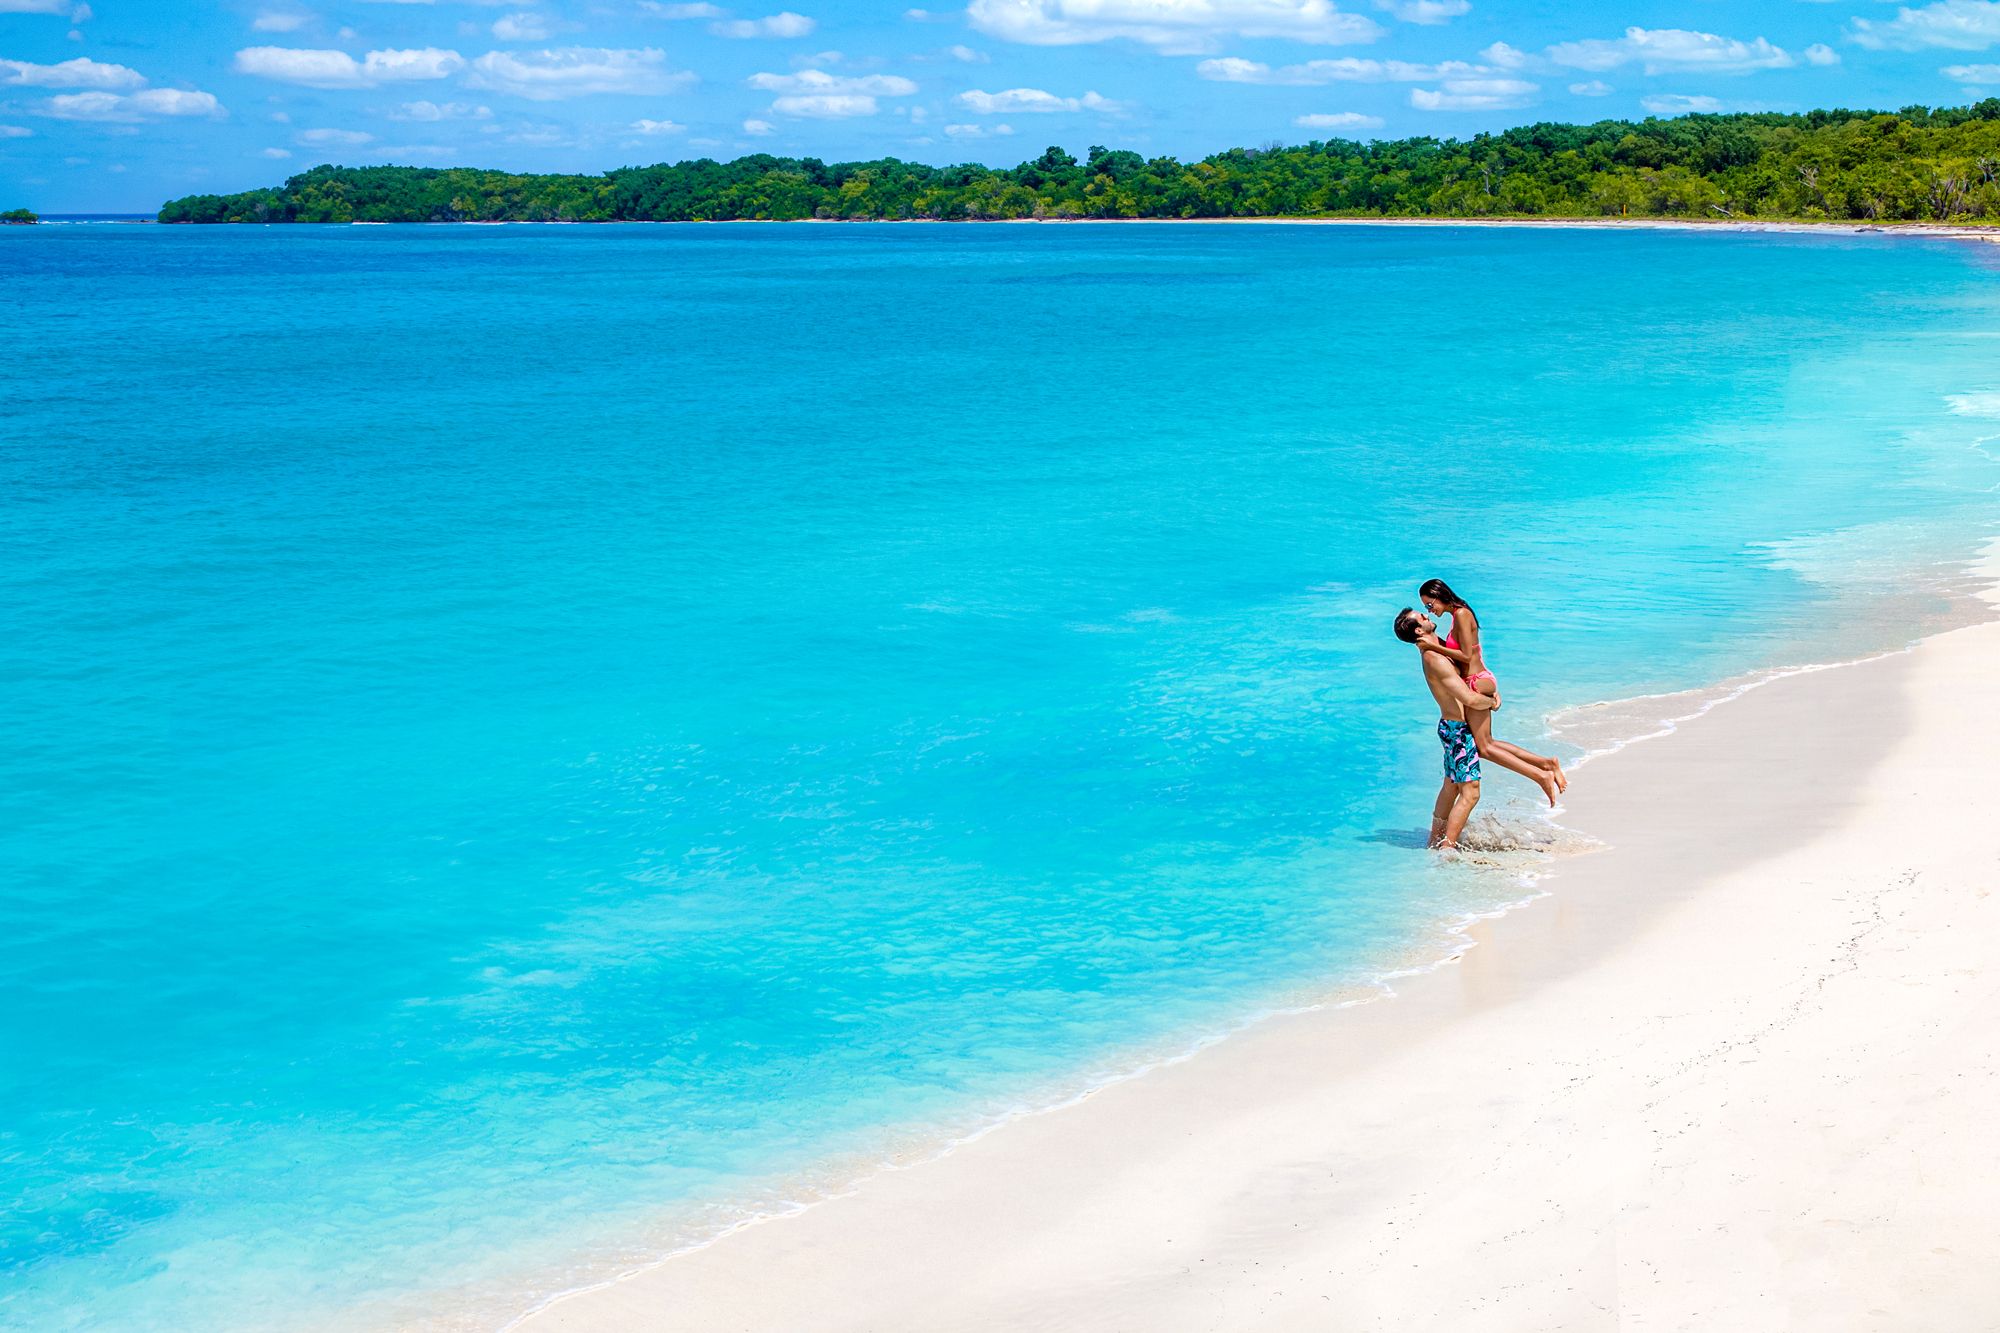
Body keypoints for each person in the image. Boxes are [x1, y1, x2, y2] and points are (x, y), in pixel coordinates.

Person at [1412, 578, 1565, 804]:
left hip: (1476, 680)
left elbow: (1466, 656)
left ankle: (1541, 775)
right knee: (1487, 744)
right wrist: (1428, 645)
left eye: (1429, 604)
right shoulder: (1457, 615)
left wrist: (1432, 646)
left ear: (1438, 595)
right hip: (1477, 679)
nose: (1430, 611)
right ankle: (1546, 764)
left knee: (1484, 747)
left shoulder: (1462, 614)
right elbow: (1452, 649)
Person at [1393, 607, 1498, 849]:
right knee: (1471, 792)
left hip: (1451, 728)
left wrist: (1489, 690)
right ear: (1418, 631)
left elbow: (1467, 668)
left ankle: (1434, 841)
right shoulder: (1435, 658)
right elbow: (1468, 699)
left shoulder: (1437, 649)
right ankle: (1447, 848)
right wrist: (1491, 702)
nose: (1427, 615)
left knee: (1451, 787)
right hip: (1457, 731)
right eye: (1422, 617)